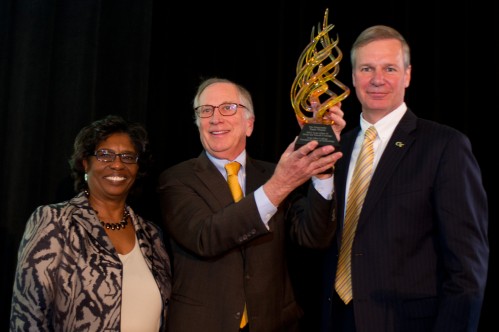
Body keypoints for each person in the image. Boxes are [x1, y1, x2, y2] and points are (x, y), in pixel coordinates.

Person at [320, 25, 489, 332]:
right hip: (337, 321)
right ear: (353, 77)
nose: (377, 80)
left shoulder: (445, 147)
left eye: (390, 68)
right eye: (367, 68)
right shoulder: (337, 148)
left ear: (408, 75)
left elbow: (466, 269)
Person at [158, 77, 346, 332]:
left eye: (228, 108)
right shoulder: (176, 179)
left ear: (250, 124)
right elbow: (206, 237)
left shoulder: (271, 174)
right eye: (205, 110)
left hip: (273, 323)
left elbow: (314, 237)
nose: (215, 118)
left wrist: (322, 167)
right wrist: (278, 186)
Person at [10, 115, 172, 331]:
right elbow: (27, 315)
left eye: (127, 157)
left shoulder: (152, 235)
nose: (117, 164)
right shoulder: (54, 221)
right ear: (86, 163)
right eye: (105, 155)